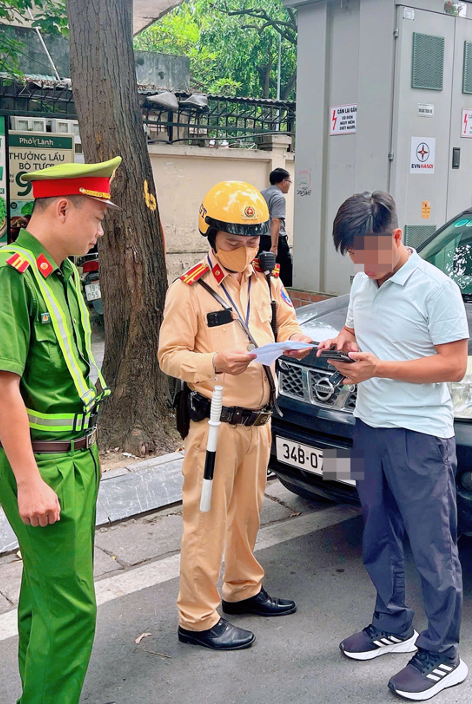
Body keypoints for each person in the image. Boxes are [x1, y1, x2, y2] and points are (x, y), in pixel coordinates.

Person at [0, 157, 120, 703]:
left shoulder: (61, 276)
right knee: (71, 608)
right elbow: (4, 387)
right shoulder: (6, 277)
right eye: (96, 218)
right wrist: (29, 480)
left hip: (78, 458)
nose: (100, 230)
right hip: (44, 464)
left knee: (44, 593)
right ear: (63, 208)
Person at [319, 191, 470, 701]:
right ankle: (392, 624)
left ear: (398, 237)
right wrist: (341, 341)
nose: (363, 266)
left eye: (370, 253)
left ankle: (443, 653)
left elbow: (454, 366)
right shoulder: (364, 280)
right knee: (377, 532)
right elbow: (356, 327)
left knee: (433, 546)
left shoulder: (436, 289)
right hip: (368, 425)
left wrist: (379, 367)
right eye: (354, 256)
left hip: (421, 435)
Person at [158, 180, 313, 650]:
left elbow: (286, 320)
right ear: (210, 236)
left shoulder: (267, 280)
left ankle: (242, 588)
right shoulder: (189, 291)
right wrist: (213, 363)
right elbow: (168, 356)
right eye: (233, 243)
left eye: (253, 242)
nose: (245, 253)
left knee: (248, 513)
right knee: (205, 521)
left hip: (260, 421)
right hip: (215, 424)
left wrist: (297, 342)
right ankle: (198, 618)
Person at [260, 167, 293, 286]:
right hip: (275, 240)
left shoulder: (261, 194)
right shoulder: (278, 197)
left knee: (263, 272)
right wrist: (274, 246)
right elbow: (275, 221)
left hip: (260, 239)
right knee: (286, 273)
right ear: (284, 182)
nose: (289, 185)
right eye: (289, 182)